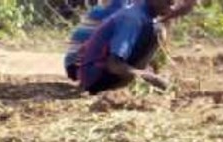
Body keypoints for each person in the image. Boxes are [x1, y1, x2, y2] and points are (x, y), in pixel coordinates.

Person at [64, 0, 196, 82]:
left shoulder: (138, 8)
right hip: (80, 64)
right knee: (155, 30)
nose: (171, 6)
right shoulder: (126, 8)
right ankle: (138, 76)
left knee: (155, 28)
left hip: (86, 60)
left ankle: (143, 73)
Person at [78, 0, 176, 94]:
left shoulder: (144, 15)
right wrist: (148, 77)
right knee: (157, 32)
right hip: (94, 77)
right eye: (168, 2)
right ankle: (129, 82)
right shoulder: (132, 19)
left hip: (98, 71)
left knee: (158, 30)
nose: (171, 8)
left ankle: (135, 78)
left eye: (173, 3)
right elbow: (114, 65)